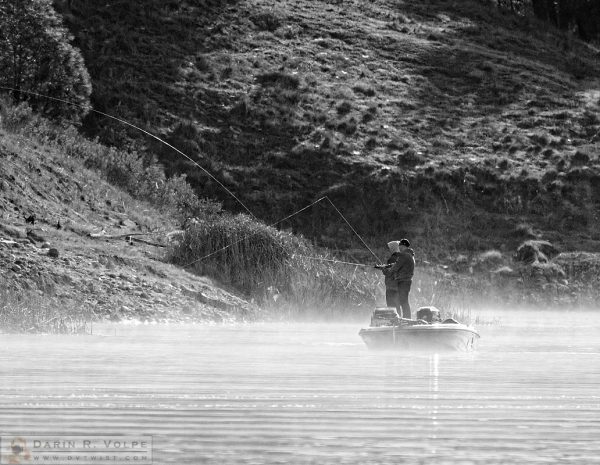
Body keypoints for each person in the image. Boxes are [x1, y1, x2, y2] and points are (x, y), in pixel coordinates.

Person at [375, 238, 415, 319]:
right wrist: (384, 266)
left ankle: (406, 320)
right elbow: (395, 264)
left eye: (401, 246)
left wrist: (384, 269)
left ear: (404, 246)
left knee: (403, 302)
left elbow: (395, 267)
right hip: (405, 281)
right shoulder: (409, 255)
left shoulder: (404, 255)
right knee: (403, 301)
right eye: (399, 246)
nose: (399, 248)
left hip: (403, 281)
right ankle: (406, 319)